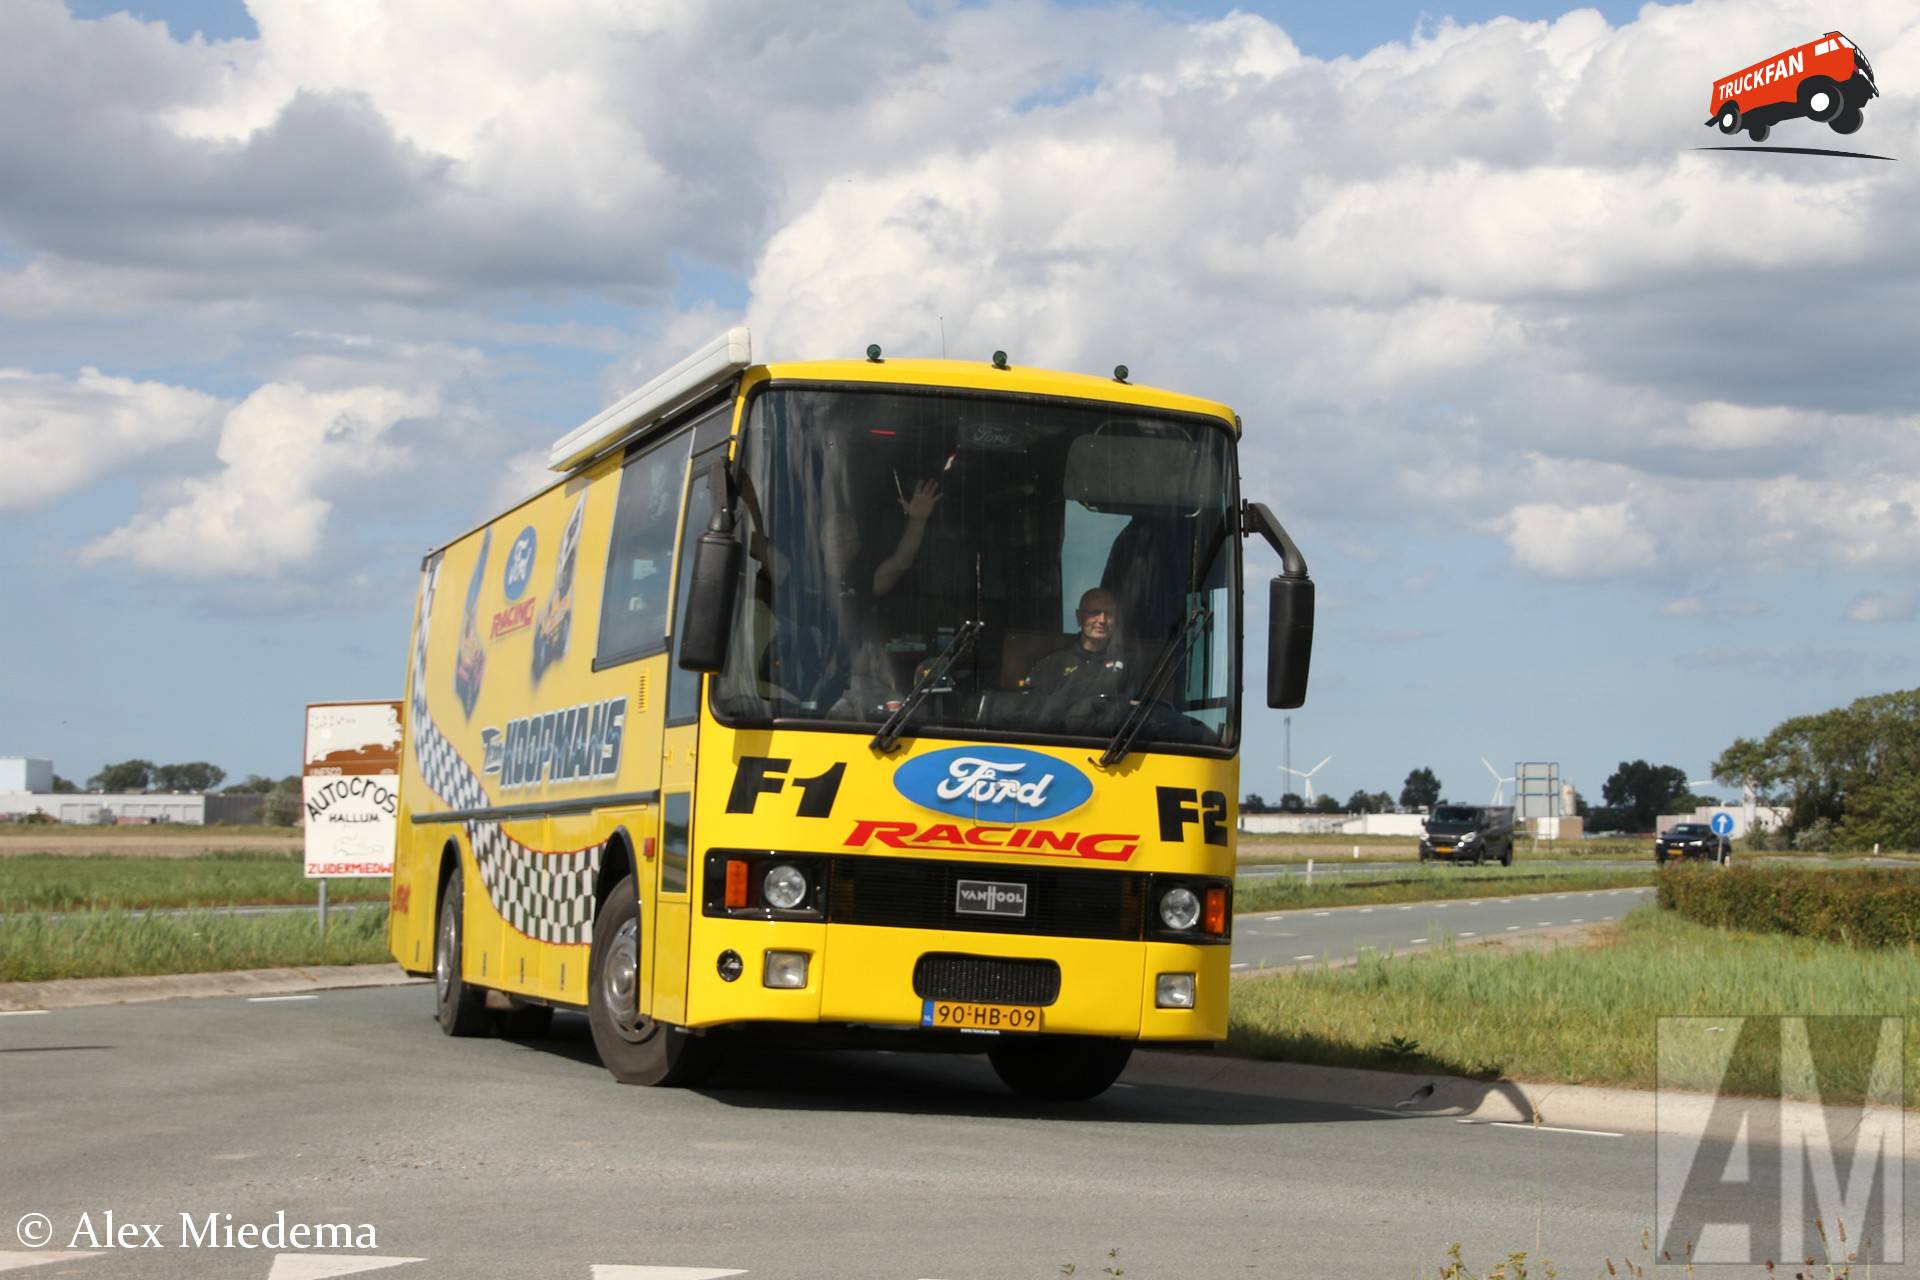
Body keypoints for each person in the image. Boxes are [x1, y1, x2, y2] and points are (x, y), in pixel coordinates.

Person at [1025, 588, 1130, 719]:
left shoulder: (1129, 665)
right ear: (1079, 617)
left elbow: (1133, 710)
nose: (1102, 620)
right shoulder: (1053, 662)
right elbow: (1034, 711)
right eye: (1095, 612)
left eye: (1109, 613)